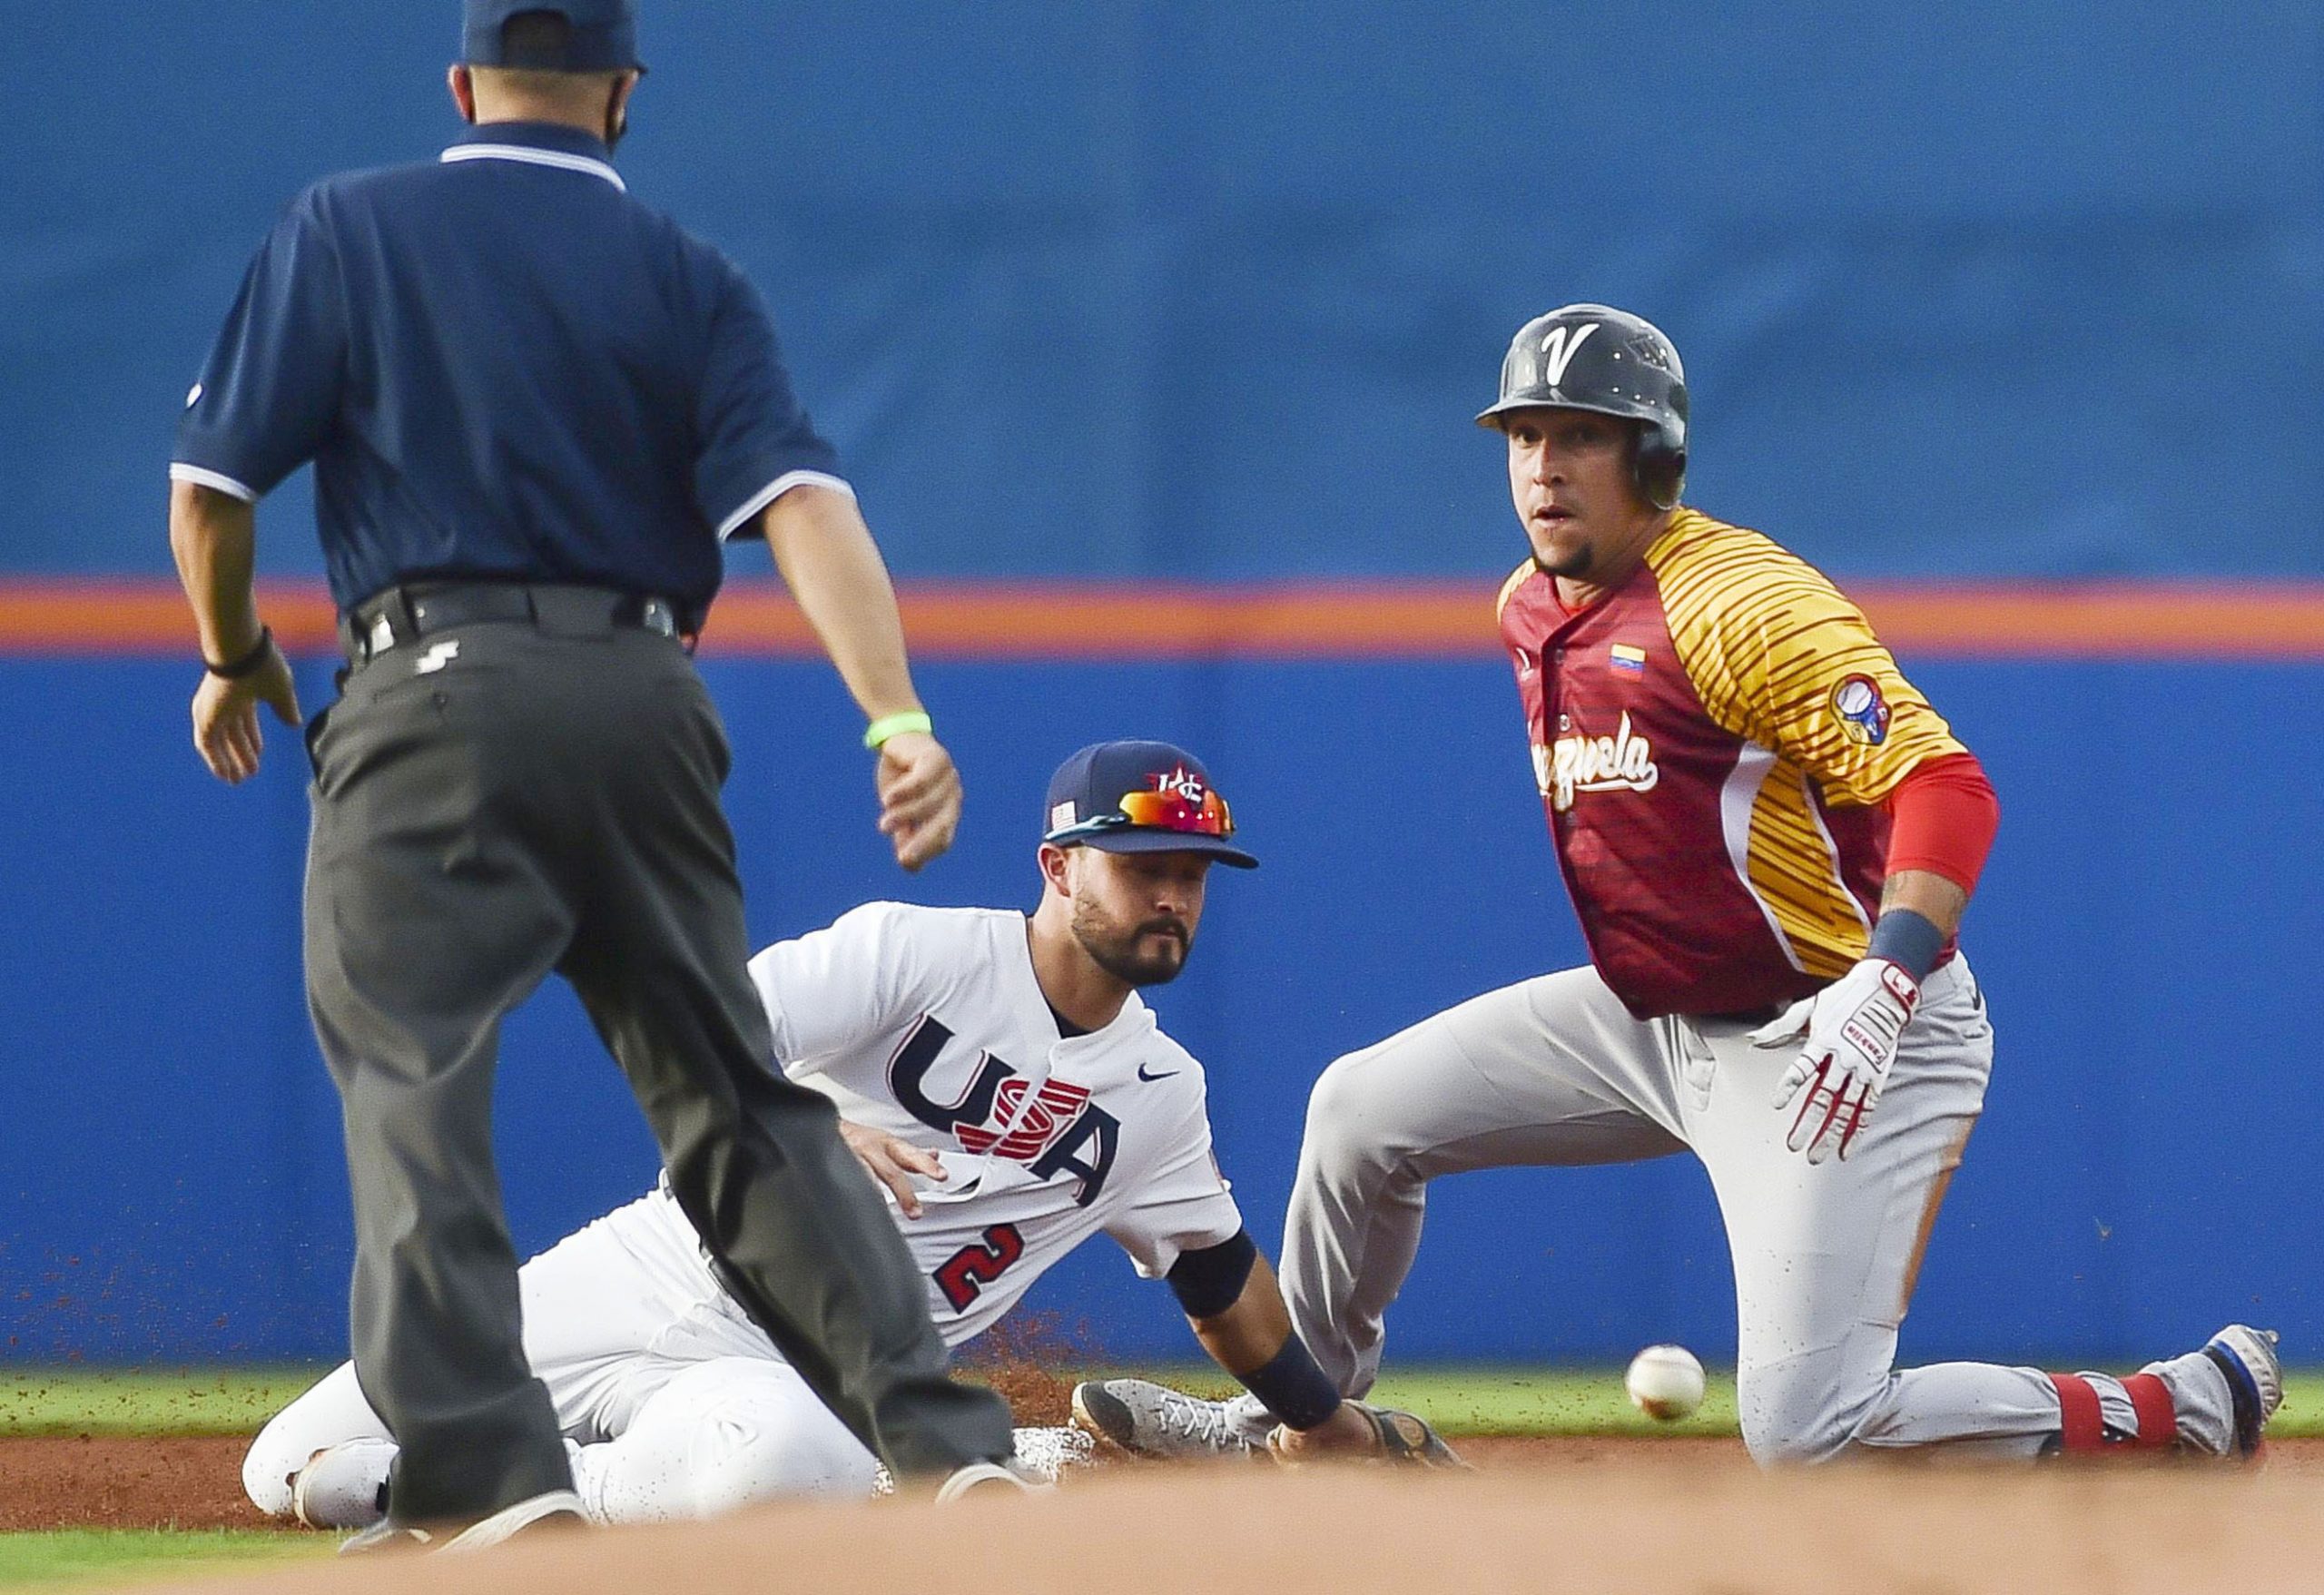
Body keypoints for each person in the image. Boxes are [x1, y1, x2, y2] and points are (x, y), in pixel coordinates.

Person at [1072, 305, 2281, 1467]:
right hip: (1653, 1020)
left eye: (1582, 435)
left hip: (1838, 1031)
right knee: (1356, 1114)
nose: (1545, 465)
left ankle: (2181, 1403)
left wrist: (1890, 972)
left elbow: (1949, 786)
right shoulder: (1528, 605)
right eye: (1526, 436)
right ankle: (1301, 1417)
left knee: (1810, 1429)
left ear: (1652, 455)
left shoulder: (1739, 604)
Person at [167, 1, 1020, 1547]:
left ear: (459, 82)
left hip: (424, 691)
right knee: (743, 1103)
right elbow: (804, 507)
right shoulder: (687, 274)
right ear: (621, 95)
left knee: (415, 1085)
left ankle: (499, 1492)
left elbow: (212, 487)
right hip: (644, 694)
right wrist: (896, 717)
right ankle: (948, 1442)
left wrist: (232, 654)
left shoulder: (347, 227)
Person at [240, 742, 1458, 1531]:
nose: (1173, 896)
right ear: (1056, 865)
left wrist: (1322, 1420)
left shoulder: (1158, 1093)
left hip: (805, 1375)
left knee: (779, 1472)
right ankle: (1015, 1457)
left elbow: (1219, 1280)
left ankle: (448, 1490)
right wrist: (809, 1110)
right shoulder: (914, 952)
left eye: (1194, 873)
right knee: (283, 1464)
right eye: (1143, 863)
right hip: (661, 1260)